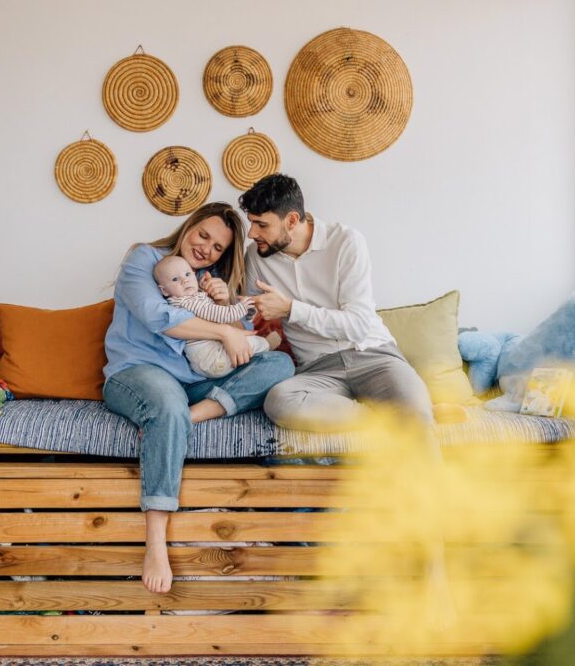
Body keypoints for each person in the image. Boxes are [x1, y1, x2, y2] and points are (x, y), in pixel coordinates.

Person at [103, 202, 295, 595]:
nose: (207, 248)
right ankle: (155, 539)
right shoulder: (146, 260)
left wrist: (226, 306)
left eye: (218, 247)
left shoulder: (206, 281)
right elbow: (159, 318)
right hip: (137, 373)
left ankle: (189, 417)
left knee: (279, 363)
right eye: (203, 235)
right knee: (166, 403)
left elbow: (241, 338)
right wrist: (224, 332)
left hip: (194, 383)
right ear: (188, 227)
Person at [241, 174, 434, 431]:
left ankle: (410, 413)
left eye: (261, 224)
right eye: (251, 222)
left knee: (418, 417)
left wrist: (291, 309)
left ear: (291, 221)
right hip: (317, 370)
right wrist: (226, 300)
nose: (252, 233)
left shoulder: (345, 242)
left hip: (374, 356)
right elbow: (246, 313)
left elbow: (357, 326)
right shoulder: (257, 255)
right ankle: (387, 418)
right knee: (279, 400)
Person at [152, 254, 278, 378]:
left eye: (187, 274)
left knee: (241, 346)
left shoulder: (188, 298)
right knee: (250, 343)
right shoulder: (185, 302)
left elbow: (202, 302)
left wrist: (202, 288)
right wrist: (242, 307)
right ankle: (266, 344)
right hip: (212, 359)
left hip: (206, 358)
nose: (184, 280)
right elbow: (217, 315)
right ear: (164, 291)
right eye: (175, 279)